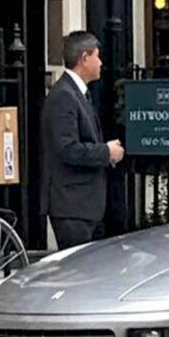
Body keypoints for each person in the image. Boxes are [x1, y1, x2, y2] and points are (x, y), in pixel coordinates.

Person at [41, 31, 124, 250]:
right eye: (97, 56)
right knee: (78, 277)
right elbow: (67, 149)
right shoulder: (63, 96)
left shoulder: (78, 93)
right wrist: (106, 152)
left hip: (86, 206)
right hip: (72, 207)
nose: (101, 63)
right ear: (85, 58)